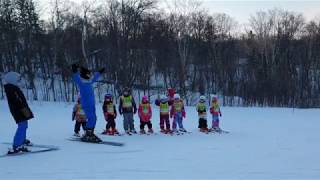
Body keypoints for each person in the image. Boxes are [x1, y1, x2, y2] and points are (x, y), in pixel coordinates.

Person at [72, 63, 105, 142]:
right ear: (86, 75)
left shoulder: (89, 82)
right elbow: (76, 78)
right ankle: (88, 133)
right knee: (92, 118)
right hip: (87, 104)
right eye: (89, 74)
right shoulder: (82, 83)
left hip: (91, 104)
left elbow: (94, 78)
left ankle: (90, 132)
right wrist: (74, 70)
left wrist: (100, 72)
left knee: (94, 118)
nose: (90, 76)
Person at [4, 72, 34, 154]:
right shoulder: (10, 89)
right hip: (18, 111)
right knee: (22, 125)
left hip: (21, 109)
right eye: (17, 80)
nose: (19, 81)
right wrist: (23, 109)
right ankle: (17, 145)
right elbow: (17, 101)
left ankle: (22, 140)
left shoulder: (13, 88)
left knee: (25, 124)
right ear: (12, 80)